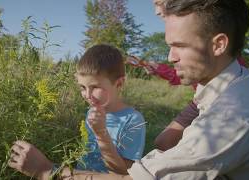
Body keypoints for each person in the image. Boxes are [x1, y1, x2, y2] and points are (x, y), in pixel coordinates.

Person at [8, 0, 249, 179]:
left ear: (218, 45)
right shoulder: (235, 82)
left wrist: (47, 172)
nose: (170, 57)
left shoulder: (230, 119)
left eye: (180, 45)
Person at [127, 0, 248, 152]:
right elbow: (185, 73)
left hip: (220, 99)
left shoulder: (231, 83)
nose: (156, 11)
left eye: (159, 3)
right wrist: (159, 69)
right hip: (199, 100)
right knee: (163, 142)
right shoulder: (187, 32)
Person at [9, 44, 146, 177]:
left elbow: (124, 174)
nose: (87, 95)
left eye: (95, 87)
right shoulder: (91, 112)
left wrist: (101, 133)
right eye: (82, 87)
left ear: (119, 83)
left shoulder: (133, 120)